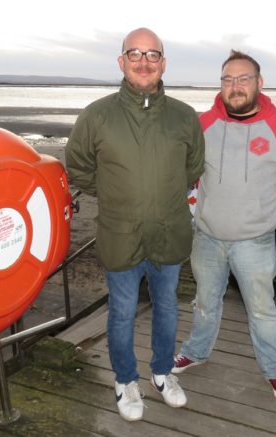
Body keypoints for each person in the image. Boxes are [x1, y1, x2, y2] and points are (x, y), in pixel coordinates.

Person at [65, 28, 205, 421]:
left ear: (163, 63)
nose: (144, 62)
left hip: (169, 234)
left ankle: (162, 373)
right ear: (121, 61)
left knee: (167, 309)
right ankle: (125, 380)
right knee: (122, 312)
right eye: (135, 54)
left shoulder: (183, 116)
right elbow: (77, 166)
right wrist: (114, 194)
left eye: (153, 55)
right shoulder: (97, 115)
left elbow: (193, 167)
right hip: (119, 235)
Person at [172, 50, 276, 403]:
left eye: (243, 78)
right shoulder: (203, 124)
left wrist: (261, 209)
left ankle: (275, 371)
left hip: (255, 242)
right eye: (228, 79)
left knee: (263, 312)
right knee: (204, 303)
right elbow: (187, 171)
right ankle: (196, 351)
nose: (235, 86)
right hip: (206, 239)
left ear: (259, 83)